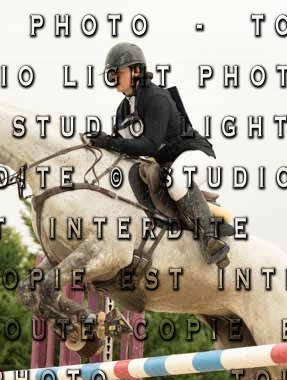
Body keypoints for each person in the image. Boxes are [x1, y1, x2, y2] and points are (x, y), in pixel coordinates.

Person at [87, 42, 229, 265]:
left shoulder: (156, 97)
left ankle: (211, 240)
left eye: (117, 72)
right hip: (166, 164)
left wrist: (109, 141)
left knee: (176, 180)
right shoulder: (122, 110)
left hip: (194, 154)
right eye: (111, 73)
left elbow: (149, 145)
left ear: (136, 71)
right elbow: (124, 149)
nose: (113, 77)